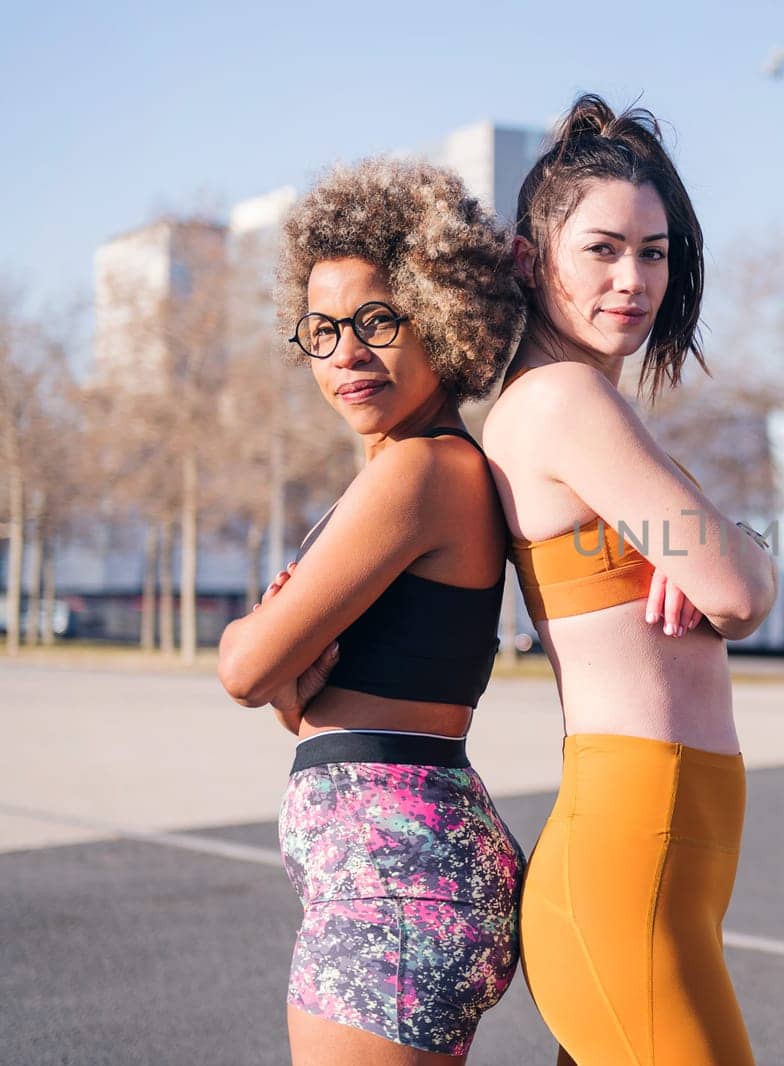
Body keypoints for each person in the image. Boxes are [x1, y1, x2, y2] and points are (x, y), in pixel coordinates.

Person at [482, 95, 778, 1065]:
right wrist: (721, 559)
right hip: (627, 868)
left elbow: (728, 575)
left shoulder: (589, 402)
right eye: (603, 249)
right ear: (532, 261)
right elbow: (741, 590)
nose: (634, 278)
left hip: (658, 865)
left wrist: (713, 558)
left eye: (654, 252)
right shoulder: (564, 400)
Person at [217, 158, 527, 1065]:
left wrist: (254, 643)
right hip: (397, 875)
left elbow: (246, 671)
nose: (346, 354)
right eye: (320, 330)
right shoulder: (413, 470)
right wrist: (284, 680)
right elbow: (295, 702)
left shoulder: (420, 471)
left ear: (444, 320)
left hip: (394, 893)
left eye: (378, 322)